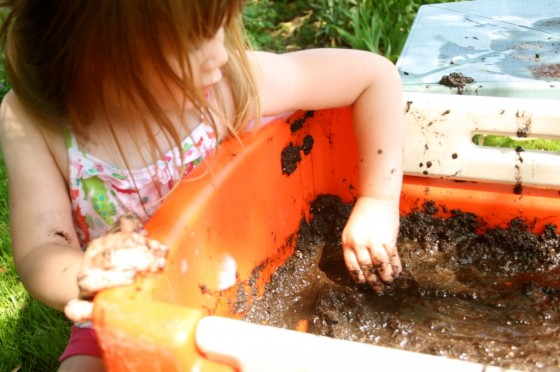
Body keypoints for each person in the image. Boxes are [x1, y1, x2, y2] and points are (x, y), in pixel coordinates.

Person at [0, 0, 404, 370]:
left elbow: (373, 76)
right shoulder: (33, 122)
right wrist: (85, 275)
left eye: (221, 28)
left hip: (237, 281)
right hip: (134, 305)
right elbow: (41, 248)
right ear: (97, 57)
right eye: (195, 39)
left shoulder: (223, 87)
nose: (222, 54)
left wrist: (377, 201)